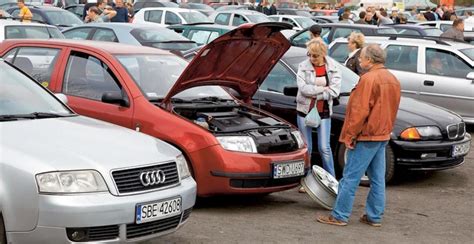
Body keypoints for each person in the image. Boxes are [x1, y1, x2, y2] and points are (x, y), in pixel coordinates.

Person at [317, 44, 401, 227]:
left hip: (367, 135)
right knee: (378, 179)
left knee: (350, 177)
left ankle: (340, 215)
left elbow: (359, 111)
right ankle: (374, 216)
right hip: (382, 135)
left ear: (370, 60)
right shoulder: (392, 78)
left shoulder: (368, 79)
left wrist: (350, 136)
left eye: (361, 57)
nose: (359, 60)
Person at [296, 38, 341, 187]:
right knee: (307, 148)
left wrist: (315, 92)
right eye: (310, 54)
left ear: (323, 54)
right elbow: (303, 89)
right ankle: (307, 181)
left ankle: (333, 182)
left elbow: (335, 91)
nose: (312, 58)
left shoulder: (333, 67)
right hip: (304, 111)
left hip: (324, 112)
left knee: (324, 148)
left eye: (315, 55)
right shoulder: (303, 66)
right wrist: (323, 90)